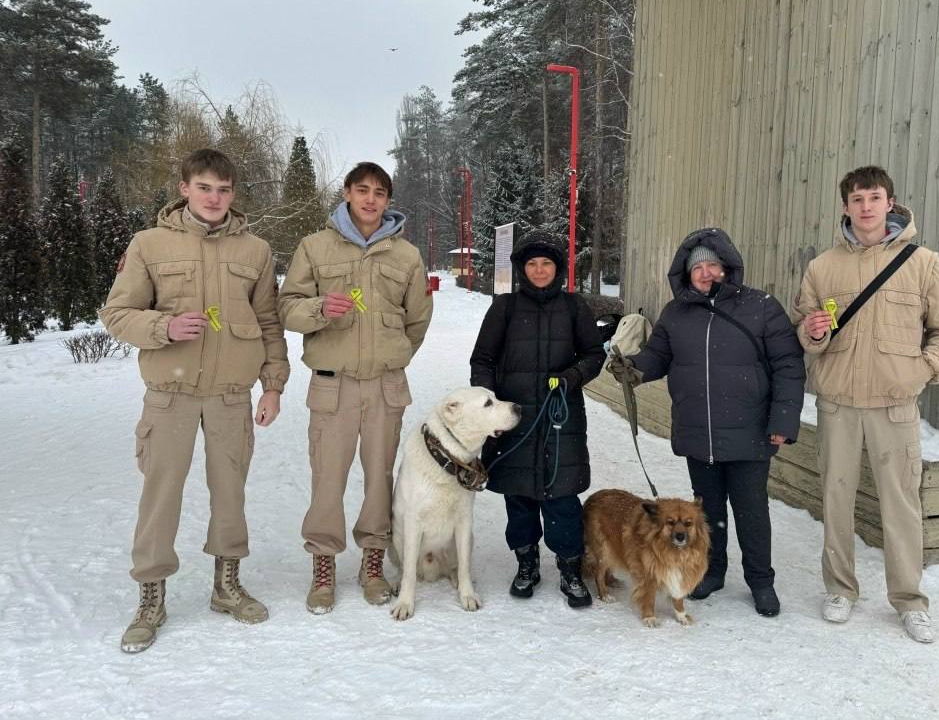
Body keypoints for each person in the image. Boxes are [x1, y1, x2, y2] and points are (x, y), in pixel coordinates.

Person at [101, 148, 290, 653]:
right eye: (204, 187)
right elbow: (117, 314)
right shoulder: (149, 244)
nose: (214, 198)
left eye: (223, 190)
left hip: (230, 395)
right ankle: (151, 597)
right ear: (184, 189)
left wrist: (273, 385)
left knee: (231, 494)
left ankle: (227, 586)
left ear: (234, 194)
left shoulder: (255, 251)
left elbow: (269, 323)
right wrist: (163, 327)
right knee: (160, 497)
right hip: (171, 395)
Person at [791, 165, 939, 643]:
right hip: (838, 405)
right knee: (836, 499)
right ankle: (840, 589)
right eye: (857, 199)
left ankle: (909, 600)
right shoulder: (822, 267)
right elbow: (806, 329)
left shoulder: (923, 263)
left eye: (874, 197)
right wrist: (812, 333)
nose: (866, 207)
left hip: (895, 406)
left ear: (890, 203)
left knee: (901, 506)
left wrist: (923, 370)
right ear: (845, 207)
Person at [608, 228, 804, 617]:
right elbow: (657, 357)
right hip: (698, 432)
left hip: (750, 430)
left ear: (727, 268)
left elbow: (788, 364)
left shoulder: (761, 307)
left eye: (713, 265)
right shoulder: (675, 313)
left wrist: (783, 420)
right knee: (707, 513)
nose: (706, 273)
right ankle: (712, 572)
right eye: (697, 267)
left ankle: (761, 581)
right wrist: (633, 368)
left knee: (751, 512)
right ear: (687, 273)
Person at [278, 161, 432, 614]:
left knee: (380, 478)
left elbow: (417, 320)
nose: (370, 199)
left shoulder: (406, 256)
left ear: (388, 201)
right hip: (334, 385)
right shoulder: (314, 247)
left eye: (380, 193)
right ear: (346, 193)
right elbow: (286, 308)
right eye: (362, 190)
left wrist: (393, 354)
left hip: (385, 386)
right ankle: (323, 564)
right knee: (327, 478)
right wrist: (320, 309)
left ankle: (373, 561)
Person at [469, 231, 605, 609]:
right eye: (532, 263)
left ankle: (569, 566)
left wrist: (572, 377)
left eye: (546, 263)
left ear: (557, 269)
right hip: (514, 417)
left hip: (561, 415)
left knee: (562, 497)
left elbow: (594, 355)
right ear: (522, 269)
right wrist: (490, 404)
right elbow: (483, 359)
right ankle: (526, 563)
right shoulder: (505, 308)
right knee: (520, 495)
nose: (539, 270)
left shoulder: (574, 307)